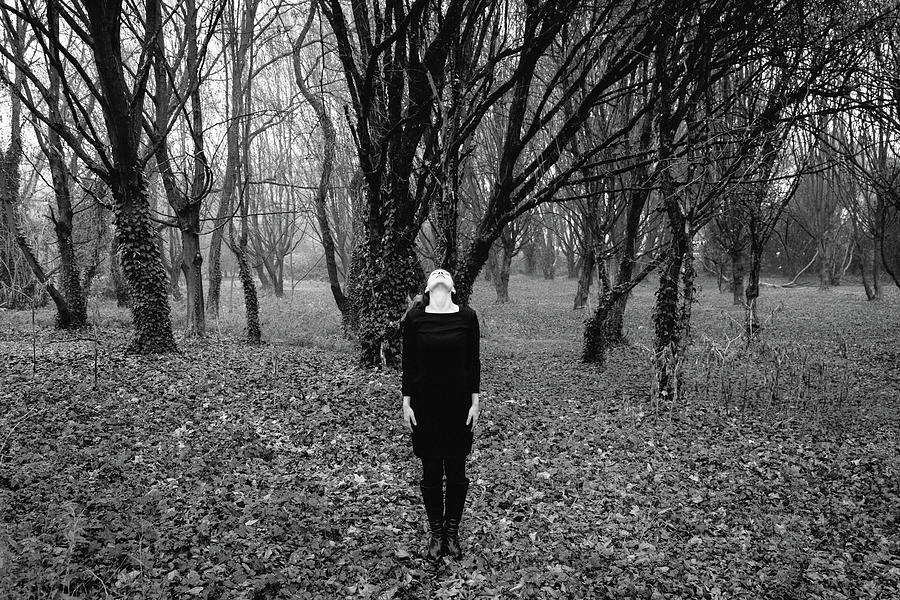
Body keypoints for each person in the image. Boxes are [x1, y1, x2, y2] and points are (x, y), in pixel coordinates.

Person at [400, 268, 481, 560]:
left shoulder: (467, 317)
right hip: (425, 405)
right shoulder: (415, 319)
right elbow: (408, 363)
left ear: (452, 287)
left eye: (444, 274)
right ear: (428, 287)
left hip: (458, 404)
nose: (440, 274)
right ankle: (436, 534)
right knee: (432, 471)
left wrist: (475, 401)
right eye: (435, 274)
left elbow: (473, 361)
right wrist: (406, 402)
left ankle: (452, 533)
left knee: (457, 472)